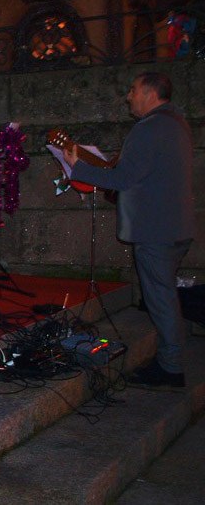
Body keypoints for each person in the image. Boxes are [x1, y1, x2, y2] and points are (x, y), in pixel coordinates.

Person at [66, 72, 194, 388]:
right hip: (175, 226)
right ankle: (171, 359)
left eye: (133, 90)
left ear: (150, 93)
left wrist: (76, 166)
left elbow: (123, 179)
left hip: (155, 230)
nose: (128, 96)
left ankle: (171, 367)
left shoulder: (148, 129)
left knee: (160, 299)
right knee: (164, 296)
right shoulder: (176, 124)